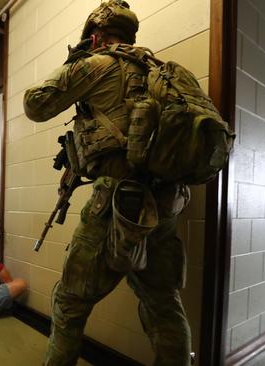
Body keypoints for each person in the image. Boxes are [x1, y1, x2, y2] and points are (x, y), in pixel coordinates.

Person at [23, 2, 197, 365]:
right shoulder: (159, 71)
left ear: (95, 35)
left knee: (70, 302)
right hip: (165, 205)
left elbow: (35, 104)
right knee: (164, 307)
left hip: (114, 200)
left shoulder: (97, 64)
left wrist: (76, 59)